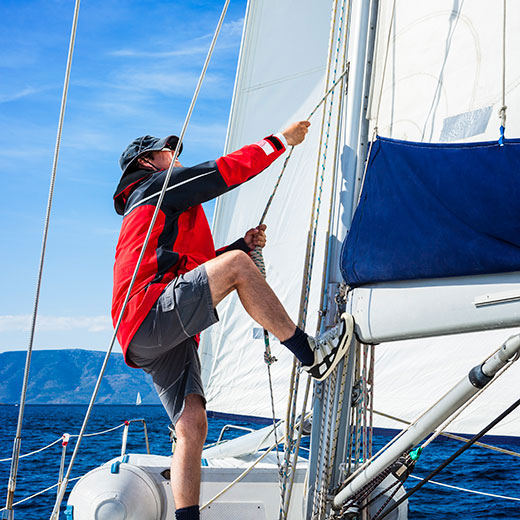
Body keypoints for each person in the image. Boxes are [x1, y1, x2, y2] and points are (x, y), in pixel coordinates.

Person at [111, 121, 353, 520]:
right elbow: (221, 173)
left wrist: (237, 246)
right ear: (148, 162)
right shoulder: (155, 187)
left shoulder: (156, 211)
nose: (177, 157)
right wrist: (279, 141)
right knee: (239, 267)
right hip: (151, 311)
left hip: (144, 333)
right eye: (168, 153)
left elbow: (191, 267)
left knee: (192, 424)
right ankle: (312, 355)